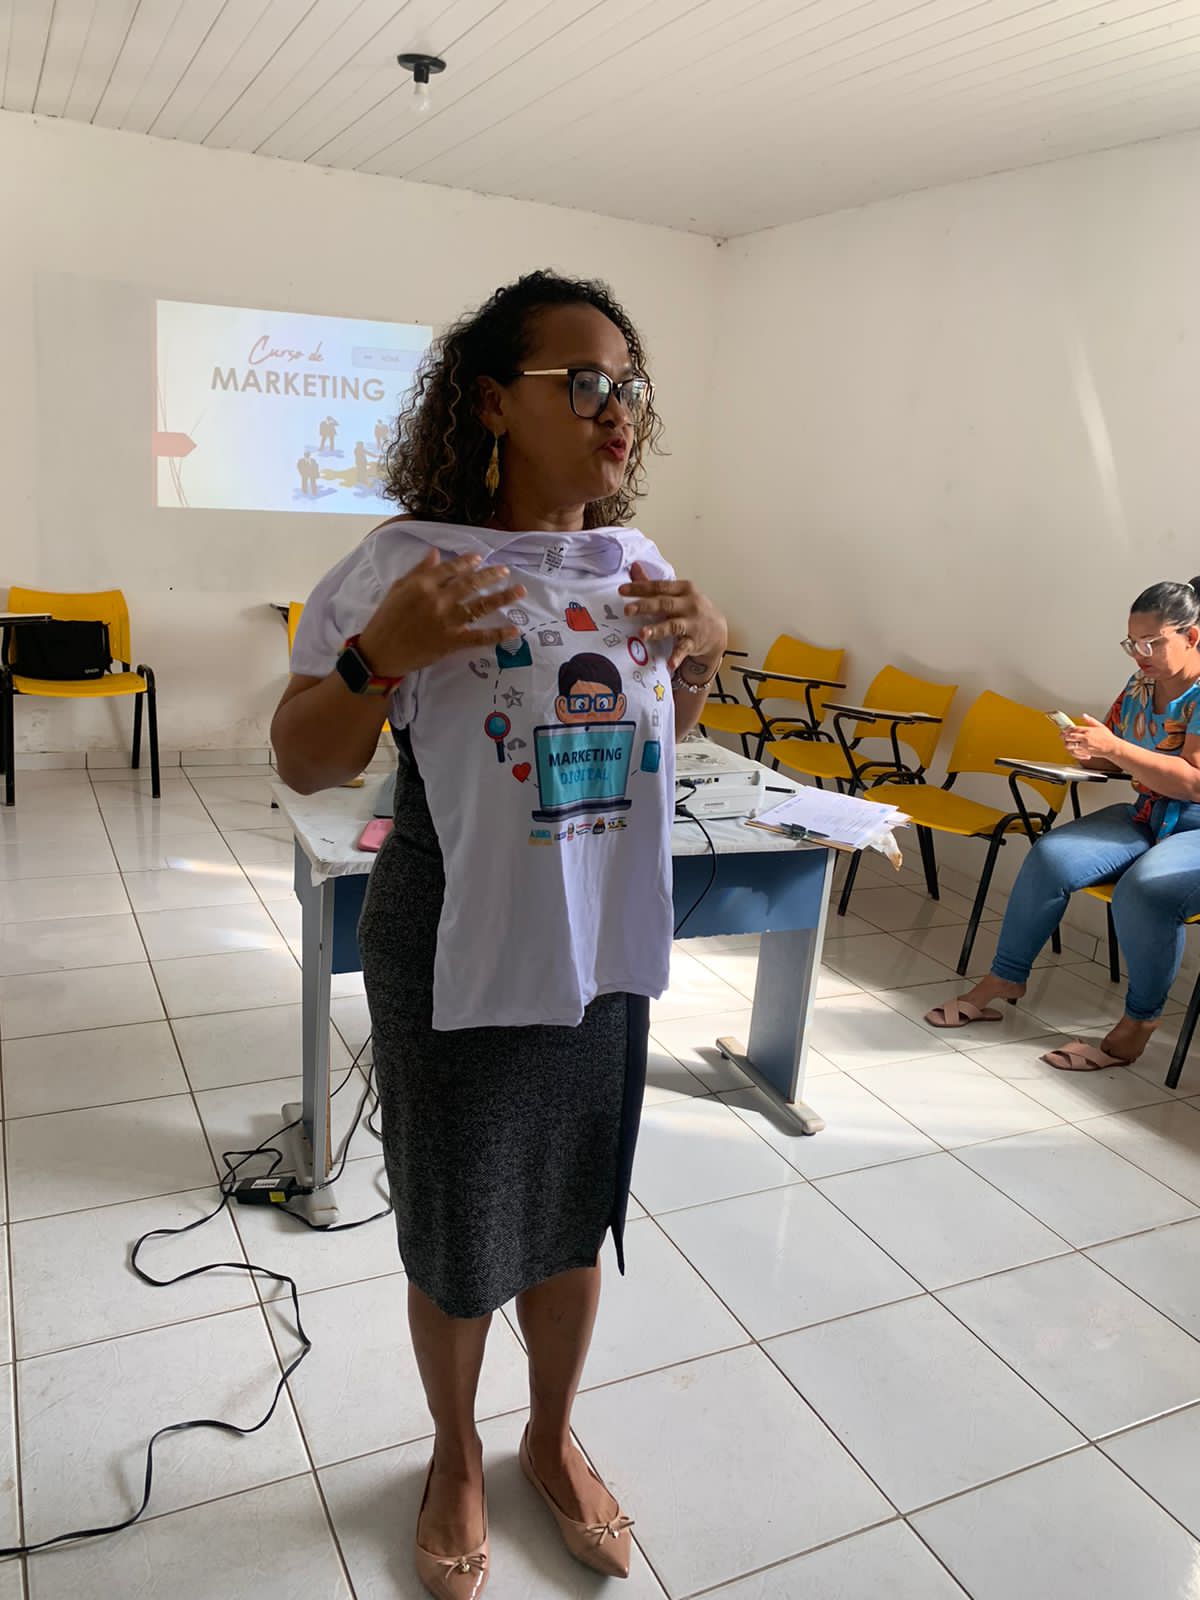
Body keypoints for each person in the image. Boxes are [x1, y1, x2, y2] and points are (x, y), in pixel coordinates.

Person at [272, 271, 727, 1598]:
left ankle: (548, 1437)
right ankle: (458, 1452)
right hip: (455, 942)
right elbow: (302, 759)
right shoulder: (403, 564)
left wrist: (704, 654)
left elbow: (659, 737)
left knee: (575, 1219)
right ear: (489, 402)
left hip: (601, 952)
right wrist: (376, 659)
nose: (617, 409)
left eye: (628, 385)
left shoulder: (639, 565)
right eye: (583, 383)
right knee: (462, 1233)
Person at [925, 578, 1200, 1070]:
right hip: (1148, 813)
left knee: (1145, 892)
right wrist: (1091, 752)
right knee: (1051, 855)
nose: (1139, 655)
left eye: (1151, 643)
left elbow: (1193, 783)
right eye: (1131, 643)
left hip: (1195, 826)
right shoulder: (1141, 684)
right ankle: (1006, 976)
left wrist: (1116, 749)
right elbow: (1120, 755)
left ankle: (1140, 1022)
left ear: (1191, 636)